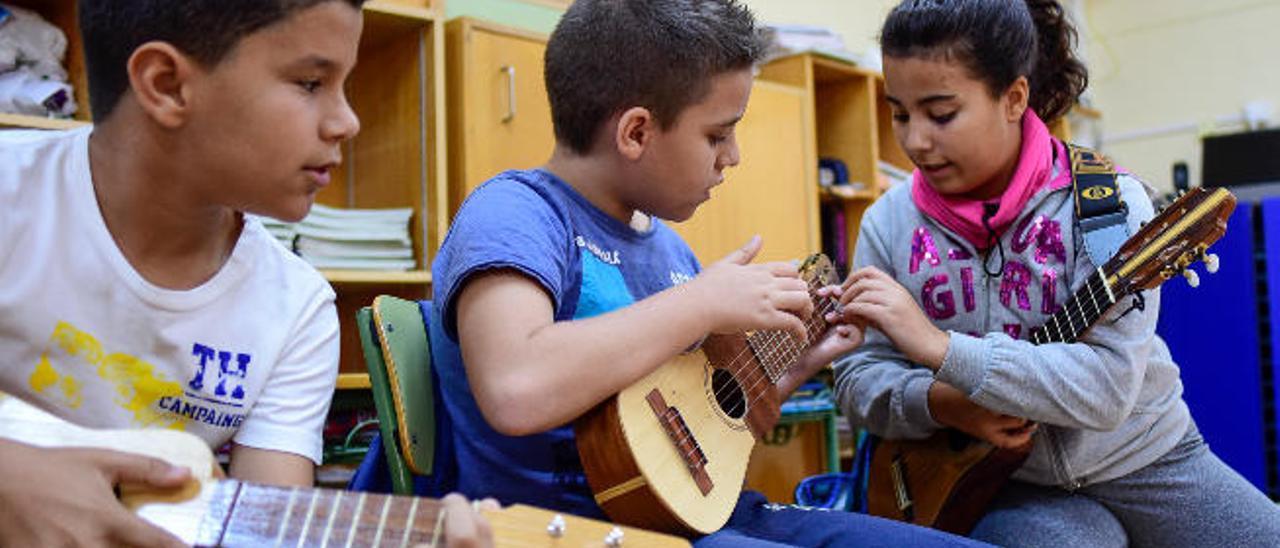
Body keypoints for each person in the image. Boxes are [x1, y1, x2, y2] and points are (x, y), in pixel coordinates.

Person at [428, 0, 989, 546]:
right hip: (573, 530)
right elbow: (514, 389)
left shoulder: (670, 252)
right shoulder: (514, 214)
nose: (733, 155)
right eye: (717, 134)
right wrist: (701, 302)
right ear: (636, 133)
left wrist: (795, 366)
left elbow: (705, 439)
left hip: (702, 520)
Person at [0, 1, 493, 546]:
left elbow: (269, 531)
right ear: (166, 85)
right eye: (311, 83)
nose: (347, 121)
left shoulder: (297, 310)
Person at [833, 1, 1280, 546]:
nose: (916, 141)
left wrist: (942, 351)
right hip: (1009, 481)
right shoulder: (888, 222)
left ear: (1014, 98)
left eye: (942, 114)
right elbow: (856, 381)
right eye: (900, 114)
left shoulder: (1107, 204)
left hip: (1147, 457)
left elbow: (1108, 390)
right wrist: (940, 403)